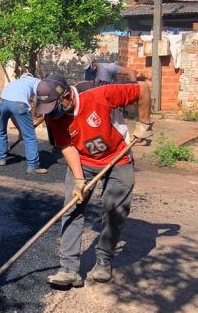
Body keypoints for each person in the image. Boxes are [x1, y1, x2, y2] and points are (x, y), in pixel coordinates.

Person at [35, 74, 153, 288]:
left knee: (115, 211)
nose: (51, 113)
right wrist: (79, 179)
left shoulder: (100, 94)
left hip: (118, 157)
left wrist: (143, 122)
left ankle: (104, 260)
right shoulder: (53, 115)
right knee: (72, 208)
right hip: (82, 160)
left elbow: (143, 88)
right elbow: (66, 145)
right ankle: (68, 269)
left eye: (54, 106)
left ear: (67, 96)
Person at [0, 74, 47, 174]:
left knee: (1, 131)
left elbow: (12, 115)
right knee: (30, 137)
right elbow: (41, 94)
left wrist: (20, 130)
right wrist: (44, 110)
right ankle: (33, 166)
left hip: (1, 103)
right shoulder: (35, 80)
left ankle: (1, 158)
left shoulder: (14, 82)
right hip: (19, 105)